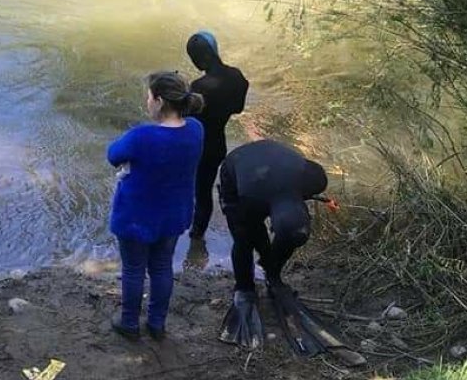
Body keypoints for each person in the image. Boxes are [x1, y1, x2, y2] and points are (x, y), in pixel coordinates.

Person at [216, 140, 347, 359]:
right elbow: (247, 231)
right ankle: (244, 288)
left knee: (290, 231)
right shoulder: (252, 196)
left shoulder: (305, 176)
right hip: (237, 172)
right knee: (244, 237)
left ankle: (272, 272)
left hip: (271, 169)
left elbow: (300, 197)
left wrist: (272, 266)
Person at [106, 71, 205, 340]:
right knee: (162, 267)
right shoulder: (196, 129)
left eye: (148, 97)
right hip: (174, 213)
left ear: (159, 101)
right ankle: (157, 323)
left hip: (136, 216)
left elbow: (113, 155)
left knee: (134, 269)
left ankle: (129, 323)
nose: (147, 102)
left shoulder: (142, 136)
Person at [186, 30, 249, 240]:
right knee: (207, 191)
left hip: (199, 146)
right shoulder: (238, 77)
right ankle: (201, 234)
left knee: (198, 191)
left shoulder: (198, 87)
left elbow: (187, 116)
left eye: (194, 58)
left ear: (200, 58)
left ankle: (194, 236)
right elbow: (238, 108)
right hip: (218, 144)